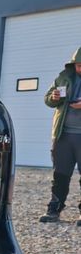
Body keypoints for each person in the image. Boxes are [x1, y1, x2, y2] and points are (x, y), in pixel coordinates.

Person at [40, 46, 81, 224]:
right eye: (78, 65)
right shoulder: (63, 78)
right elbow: (48, 98)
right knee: (60, 174)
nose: (80, 69)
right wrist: (53, 97)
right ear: (73, 64)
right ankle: (54, 210)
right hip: (62, 135)